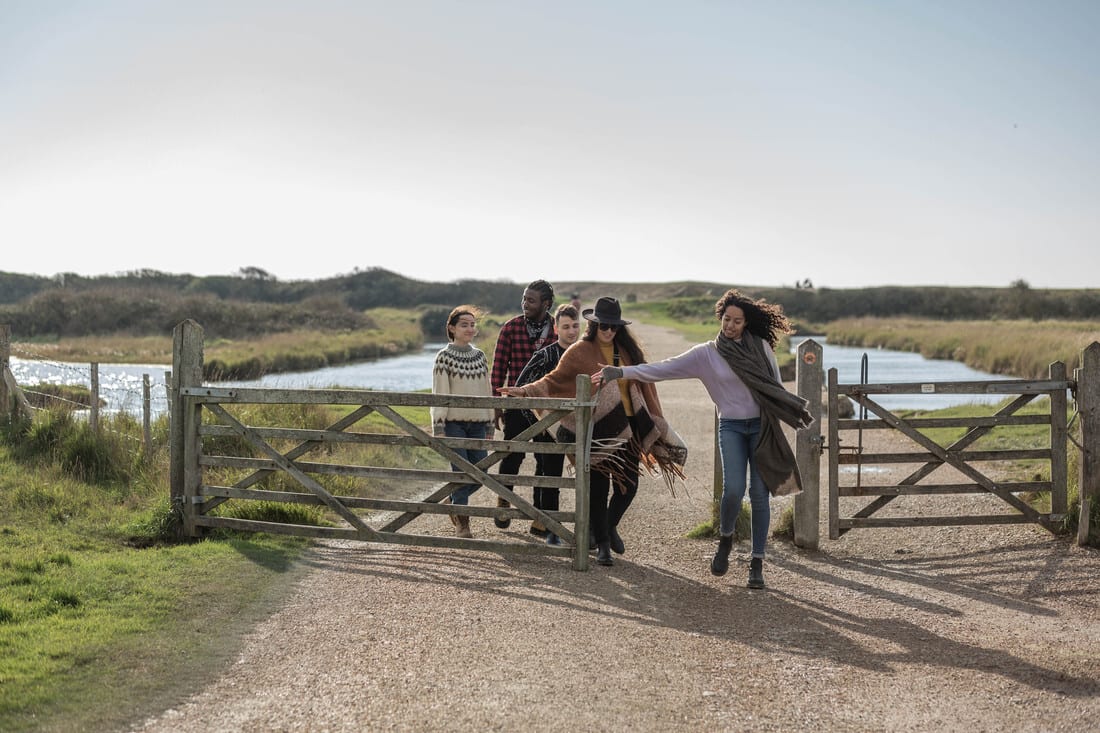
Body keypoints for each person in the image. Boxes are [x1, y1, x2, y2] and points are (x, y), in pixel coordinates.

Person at [592, 288, 813, 589]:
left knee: (760, 495)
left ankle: (757, 563)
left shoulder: (761, 348)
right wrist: (619, 371)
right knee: (733, 489)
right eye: (726, 319)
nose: (730, 325)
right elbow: (662, 369)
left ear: (746, 323)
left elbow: (775, 389)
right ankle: (725, 538)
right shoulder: (706, 354)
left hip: (762, 427)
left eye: (737, 321)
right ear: (720, 318)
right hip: (732, 427)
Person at [502, 296, 673, 567]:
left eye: (613, 326)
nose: (608, 331)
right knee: (597, 488)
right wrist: (524, 390)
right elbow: (553, 381)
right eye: (604, 325)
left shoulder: (628, 351)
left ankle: (607, 526)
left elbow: (645, 385)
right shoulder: (580, 351)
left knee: (629, 486)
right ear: (594, 325)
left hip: (629, 429)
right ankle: (603, 545)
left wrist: (656, 421)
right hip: (595, 431)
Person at [512, 303, 583, 546]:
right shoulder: (544, 355)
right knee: (550, 477)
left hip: (582, 427)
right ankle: (552, 529)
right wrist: (538, 425)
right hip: (549, 429)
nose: (571, 331)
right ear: (556, 328)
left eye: (575, 326)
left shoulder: (585, 354)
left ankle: (590, 530)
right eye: (566, 327)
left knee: (588, 476)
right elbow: (521, 387)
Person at [490, 280, 557, 529]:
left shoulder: (556, 330)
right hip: (516, 404)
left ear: (546, 304)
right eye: (524, 299)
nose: (525, 304)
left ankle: (539, 515)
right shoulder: (511, 328)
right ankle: (504, 502)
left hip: (548, 406)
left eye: (531, 300)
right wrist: (497, 405)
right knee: (511, 455)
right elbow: (498, 369)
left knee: (545, 458)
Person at [431, 305, 494, 539]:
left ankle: (453, 501)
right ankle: (463, 524)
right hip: (453, 424)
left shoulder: (480, 357)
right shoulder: (443, 358)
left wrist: (489, 423)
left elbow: (486, 391)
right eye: (464, 324)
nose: (470, 328)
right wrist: (439, 426)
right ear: (452, 328)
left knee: (481, 472)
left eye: (472, 324)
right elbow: (440, 394)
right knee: (461, 472)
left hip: (478, 424)